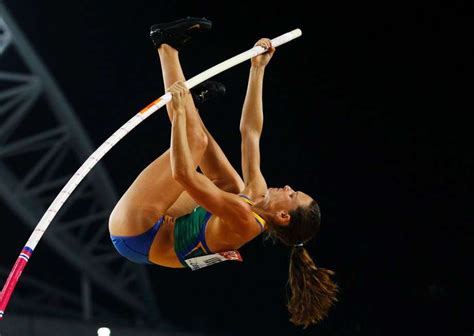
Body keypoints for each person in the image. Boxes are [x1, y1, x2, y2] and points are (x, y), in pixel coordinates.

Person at [109, 17, 338, 328]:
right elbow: (250, 132)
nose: (287, 187)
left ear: (284, 216)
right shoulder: (256, 194)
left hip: (136, 234)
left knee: (193, 140)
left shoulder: (244, 221)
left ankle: (166, 46)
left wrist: (178, 118)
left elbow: (184, 175)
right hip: (165, 225)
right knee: (230, 181)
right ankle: (193, 107)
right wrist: (258, 70)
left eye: (292, 195)